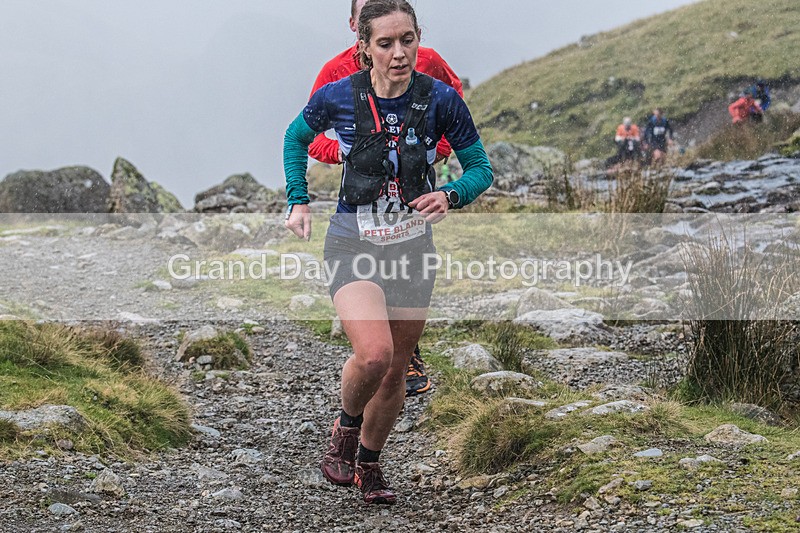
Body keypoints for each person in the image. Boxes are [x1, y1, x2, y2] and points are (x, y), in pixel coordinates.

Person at [283, 0, 492, 504]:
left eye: (407, 41)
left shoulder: (441, 99)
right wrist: (298, 201)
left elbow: (481, 167)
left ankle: (370, 466)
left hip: (412, 250)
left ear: (418, 39)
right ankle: (345, 429)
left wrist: (451, 194)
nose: (399, 53)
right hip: (352, 241)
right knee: (373, 355)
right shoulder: (338, 95)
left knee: (397, 367)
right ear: (364, 47)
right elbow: (295, 138)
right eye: (385, 43)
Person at [309, 0, 465, 397]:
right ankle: (373, 347)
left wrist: (434, 150)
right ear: (355, 27)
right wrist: (347, 153)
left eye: (406, 39)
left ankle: (404, 353)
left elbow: (454, 100)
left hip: (413, 199)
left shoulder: (427, 60)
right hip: (358, 203)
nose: (397, 51)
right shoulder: (335, 74)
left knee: (408, 254)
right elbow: (308, 137)